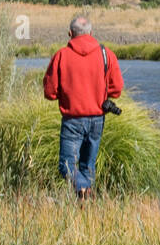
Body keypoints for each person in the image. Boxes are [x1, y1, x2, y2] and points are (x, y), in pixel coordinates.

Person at [43, 15, 123, 200]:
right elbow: (117, 89)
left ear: (70, 34)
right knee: (88, 166)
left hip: (72, 121)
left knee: (67, 166)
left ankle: (85, 191)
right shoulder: (106, 54)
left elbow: (49, 92)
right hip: (97, 120)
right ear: (91, 33)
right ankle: (86, 203)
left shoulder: (61, 55)